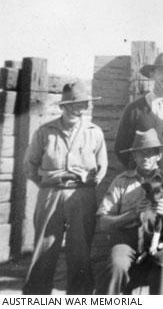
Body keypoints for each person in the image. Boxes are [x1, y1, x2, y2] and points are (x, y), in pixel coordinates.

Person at [22, 82, 107, 295]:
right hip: (51, 193)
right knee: (45, 248)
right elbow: (30, 166)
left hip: (82, 195)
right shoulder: (45, 132)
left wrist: (91, 181)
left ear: (85, 107)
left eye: (80, 106)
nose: (74, 111)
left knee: (79, 251)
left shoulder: (94, 133)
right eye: (70, 106)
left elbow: (102, 165)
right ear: (62, 107)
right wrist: (47, 184)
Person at [94, 130, 163, 294]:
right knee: (117, 265)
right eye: (141, 153)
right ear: (134, 156)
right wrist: (130, 215)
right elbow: (104, 222)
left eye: (150, 153)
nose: (146, 157)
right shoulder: (121, 182)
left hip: (160, 240)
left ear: (159, 156)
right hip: (127, 240)